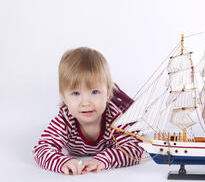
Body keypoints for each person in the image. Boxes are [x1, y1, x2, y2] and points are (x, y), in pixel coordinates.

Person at [33, 47, 144, 175]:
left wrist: (103, 160)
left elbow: (134, 149)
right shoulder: (65, 119)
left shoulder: (114, 117)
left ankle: (124, 102)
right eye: (75, 93)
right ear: (64, 97)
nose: (85, 103)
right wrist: (62, 162)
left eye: (94, 92)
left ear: (107, 93)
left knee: (138, 123)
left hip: (120, 113)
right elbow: (41, 149)